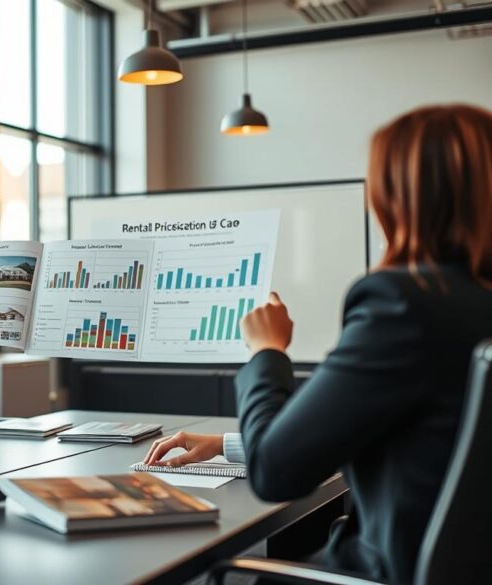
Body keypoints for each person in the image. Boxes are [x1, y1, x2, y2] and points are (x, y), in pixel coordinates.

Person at [142, 104, 492, 583]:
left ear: (402, 200)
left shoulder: (405, 305)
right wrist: (229, 444)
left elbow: (276, 474)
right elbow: (423, 438)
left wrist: (268, 350)